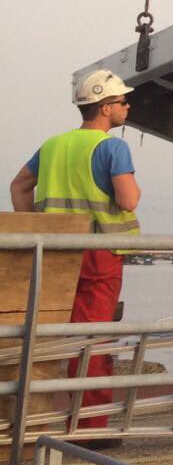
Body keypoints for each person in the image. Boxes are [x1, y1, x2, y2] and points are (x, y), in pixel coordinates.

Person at [9, 70, 142, 431]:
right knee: (92, 339)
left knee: (48, 334)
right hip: (98, 255)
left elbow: (19, 187)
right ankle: (91, 427)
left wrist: (38, 231)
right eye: (123, 101)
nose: (128, 106)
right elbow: (128, 198)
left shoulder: (52, 145)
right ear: (105, 107)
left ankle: (33, 416)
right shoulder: (112, 147)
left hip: (55, 254)